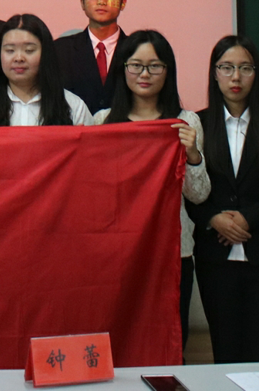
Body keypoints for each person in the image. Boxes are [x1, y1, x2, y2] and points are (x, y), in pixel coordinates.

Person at [93, 30, 210, 358]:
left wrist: (193, 155)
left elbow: (199, 195)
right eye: (136, 65)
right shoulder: (103, 123)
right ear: (123, 69)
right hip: (118, 251)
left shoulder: (186, 122)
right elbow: (95, 194)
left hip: (173, 251)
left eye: (155, 66)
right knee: (118, 337)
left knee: (169, 339)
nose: (144, 74)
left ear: (168, 71)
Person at [187, 35, 259, 364]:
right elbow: (188, 188)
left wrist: (248, 217)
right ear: (214, 73)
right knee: (225, 348)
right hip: (214, 255)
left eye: (245, 68)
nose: (235, 77)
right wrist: (213, 218)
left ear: (256, 74)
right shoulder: (198, 123)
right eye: (227, 67)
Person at [0, 14, 91, 127]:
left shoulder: (73, 106)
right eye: (10, 50)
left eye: (29, 50)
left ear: (46, 54)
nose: (19, 58)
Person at [54, 0, 128, 111]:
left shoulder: (136, 50)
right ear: (82, 2)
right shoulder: (59, 50)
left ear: (123, 2)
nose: (101, 1)